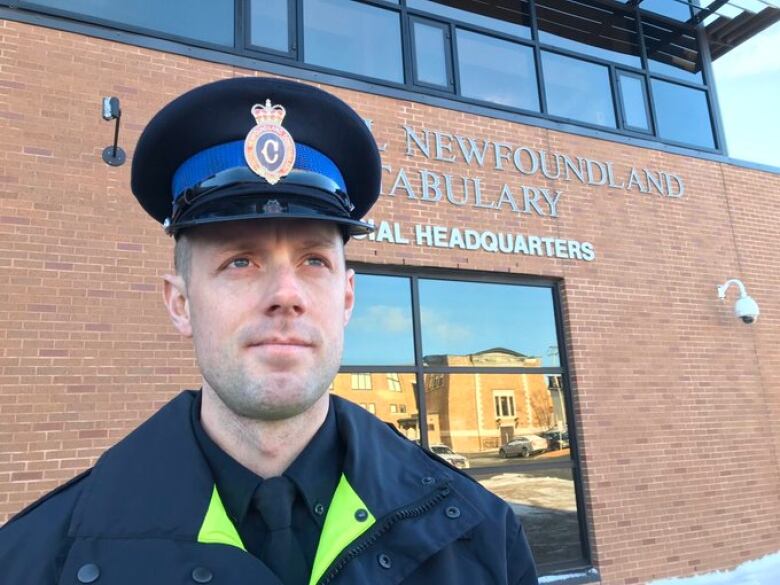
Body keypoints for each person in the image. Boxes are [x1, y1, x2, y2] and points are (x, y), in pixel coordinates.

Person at [0, 77, 538, 585]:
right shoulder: (32, 560)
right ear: (181, 303)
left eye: (312, 261)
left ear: (346, 298)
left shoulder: (482, 537)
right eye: (240, 261)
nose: (287, 293)